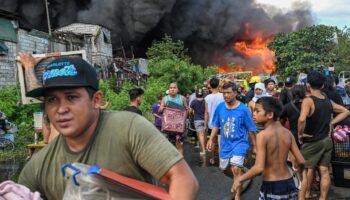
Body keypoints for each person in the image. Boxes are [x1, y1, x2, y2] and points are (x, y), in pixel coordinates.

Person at [16, 54, 198, 200]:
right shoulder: (39, 167)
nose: (61, 109)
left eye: (72, 97)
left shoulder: (128, 128)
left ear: (96, 100)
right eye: (52, 100)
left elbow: (183, 179)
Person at [234, 97, 305, 200]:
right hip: (289, 182)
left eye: (257, 111)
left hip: (272, 186)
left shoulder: (262, 135)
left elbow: (259, 168)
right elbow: (301, 161)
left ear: (270, 115)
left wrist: (240, 179)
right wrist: (299, 172)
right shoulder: (288, 133)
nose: (253, 114)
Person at [298, 70, 350, 200]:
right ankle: (323, 198)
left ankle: (304, 196)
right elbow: (345, 111)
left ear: (308, 85)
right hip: (327, 141)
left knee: (306, 171)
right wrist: (331, 122)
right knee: (324, 170)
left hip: (312, 141)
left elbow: (302, 119)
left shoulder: (308, 101)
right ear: (322, 86)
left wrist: (300, 134)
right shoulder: (327, 100)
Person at [206, 82, 257, 200]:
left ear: (235, 93)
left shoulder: (243, 110)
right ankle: (239, 178)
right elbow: (215, 125)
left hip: (240, 143)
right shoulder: (220, 107)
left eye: (228, 92)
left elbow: (251, 129)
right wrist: (211, 139)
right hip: (225, 145)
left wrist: (255, 146)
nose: (226, 95)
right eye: (224, 93)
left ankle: (237, 195)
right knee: (224, 169)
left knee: (236, 168)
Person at [159, 82, 189, 154]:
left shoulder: (182, 98)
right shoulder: (165, 98)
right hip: (168, 128)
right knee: (169, 146)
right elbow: (159, 110)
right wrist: (162, 108)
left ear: (177, 89)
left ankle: (181, 163)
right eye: (171, 88)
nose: (172, 89)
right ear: (168, 89)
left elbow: (187, 109)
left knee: (179, 145)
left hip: (179, 129)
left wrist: (188, 111)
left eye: (174, 88)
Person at [205, 77, 225, 164]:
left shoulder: (207, 97)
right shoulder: (222, 96)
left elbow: (206, 113)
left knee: (212, 141)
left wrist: (206, 124)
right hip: (221, 122)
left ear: (210, 85)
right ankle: (221, 160)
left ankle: (212, 158)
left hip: (211, 123)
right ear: (218, 85)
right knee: (220, 141)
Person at [190, 88, 206, 155]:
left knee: (200, 135)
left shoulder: (193, 101)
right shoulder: (205, 101)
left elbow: (190, 111)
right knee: (204, 134)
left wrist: (192, 112)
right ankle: (203, 146)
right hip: (205, 119)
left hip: (197, 120)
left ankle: (204, 150)